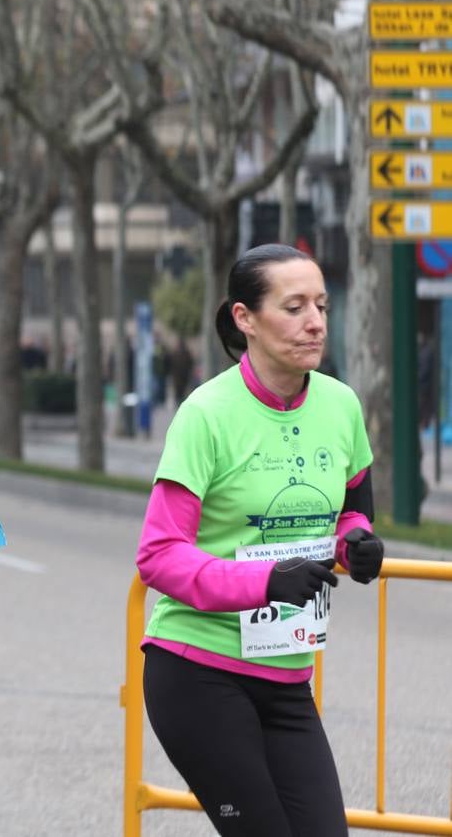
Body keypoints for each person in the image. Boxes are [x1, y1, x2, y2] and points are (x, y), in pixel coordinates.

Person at [135, 243, 385, 836]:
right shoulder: (207, 414)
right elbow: (158, 556)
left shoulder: (341, 405)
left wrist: (358, 545)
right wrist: (267, 582)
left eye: (321, 305)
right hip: (198, 674)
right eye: (293, 306)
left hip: (287, 675)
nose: (316, 321)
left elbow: (351, 513)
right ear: (245, 317)